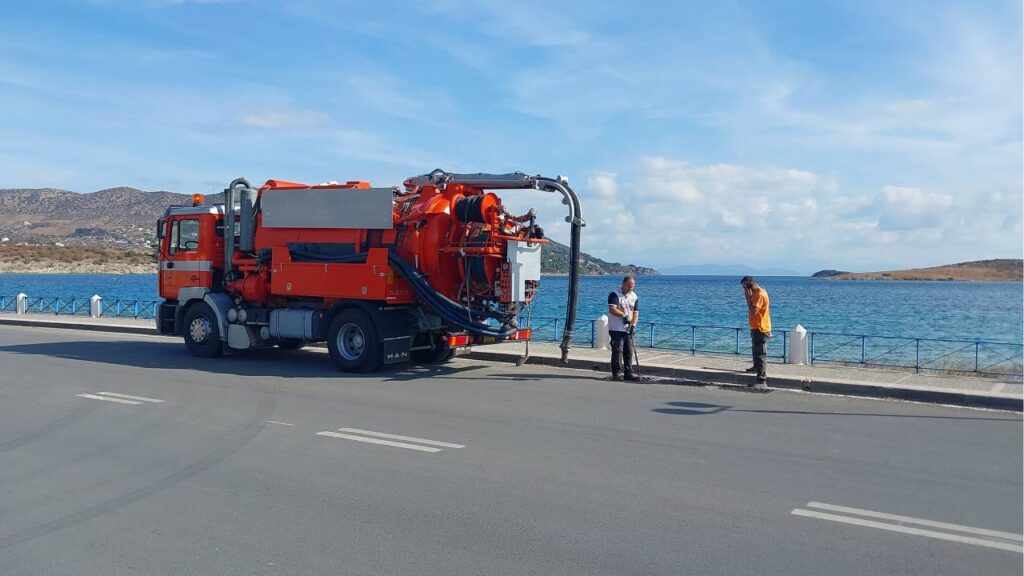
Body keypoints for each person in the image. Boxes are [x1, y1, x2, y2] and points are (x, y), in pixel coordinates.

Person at [741, 276, 771, 388]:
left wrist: (748, 299)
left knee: (760, 354)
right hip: (756, 327)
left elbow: (753, 312)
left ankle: (762, 381)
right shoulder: (757, 293)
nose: (744, 290)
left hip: (760, 328)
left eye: (745, 287)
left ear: (749, 284)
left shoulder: (759, 295)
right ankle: (756, 367)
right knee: (755, 350)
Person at [608, 275, 640, 381]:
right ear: (623, 284)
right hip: (616, 328)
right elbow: (612, 309)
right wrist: (623, 315)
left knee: (629, 351)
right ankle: (617, 373)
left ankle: (628, 372)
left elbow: (635, 313)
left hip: (628, 328)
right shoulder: (614, 294)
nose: (630, 288)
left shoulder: (634, 296)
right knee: (618, 350)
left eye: (632, 286)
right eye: (628, 285)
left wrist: (633, 325)